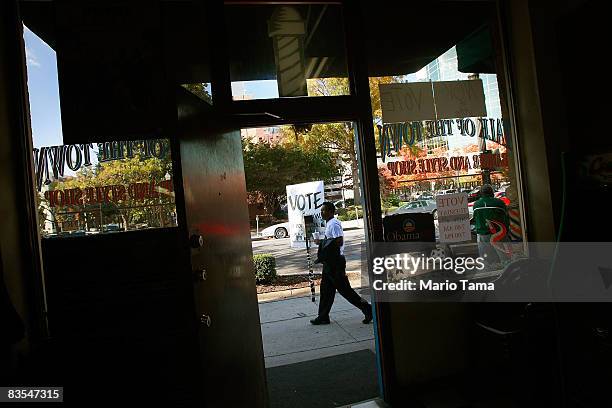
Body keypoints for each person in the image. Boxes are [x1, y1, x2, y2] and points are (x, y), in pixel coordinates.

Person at [310, 202, 373, 325]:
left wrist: (321, 243)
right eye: (321, 210)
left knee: (346, 291)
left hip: (335, 263)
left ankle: (368, 309)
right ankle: (323, 316)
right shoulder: (329, 223)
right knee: (326, 291)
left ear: (331, 212)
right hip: (330, 263)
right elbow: (331, 241)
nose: (322, 213)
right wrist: (322, 242)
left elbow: (339, 241)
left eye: (324, 210)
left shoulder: (333, 224)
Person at [473, 184, 510, 267]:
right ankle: (505, 269)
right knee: (504, 258)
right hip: (499, 234)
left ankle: (490, 268)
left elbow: (476, 219)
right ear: (492, 192)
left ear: (481, 193)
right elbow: (506, 217)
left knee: (486, 259)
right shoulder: (499, 203)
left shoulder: (476, 204)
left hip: (483, 234)